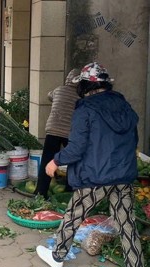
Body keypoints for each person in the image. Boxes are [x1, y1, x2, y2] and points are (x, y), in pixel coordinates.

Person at [36, 62, 144, 267]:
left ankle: (57, 256)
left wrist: (55, 161)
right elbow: (133, 141)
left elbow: (76, 147)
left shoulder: (85, 109)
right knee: (127, 224)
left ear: (84, 85)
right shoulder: (124, 106)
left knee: (73, 215)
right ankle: (135, 263)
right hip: (123, 176)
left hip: (95, 177)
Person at [33, 69, 80, 199]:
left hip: (52, 130)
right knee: (73, 160)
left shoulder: (59, 90)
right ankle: (70, 189)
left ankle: (40, 192)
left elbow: (50, 95)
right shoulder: (79, 96)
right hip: (68, 133)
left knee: (47, 160)